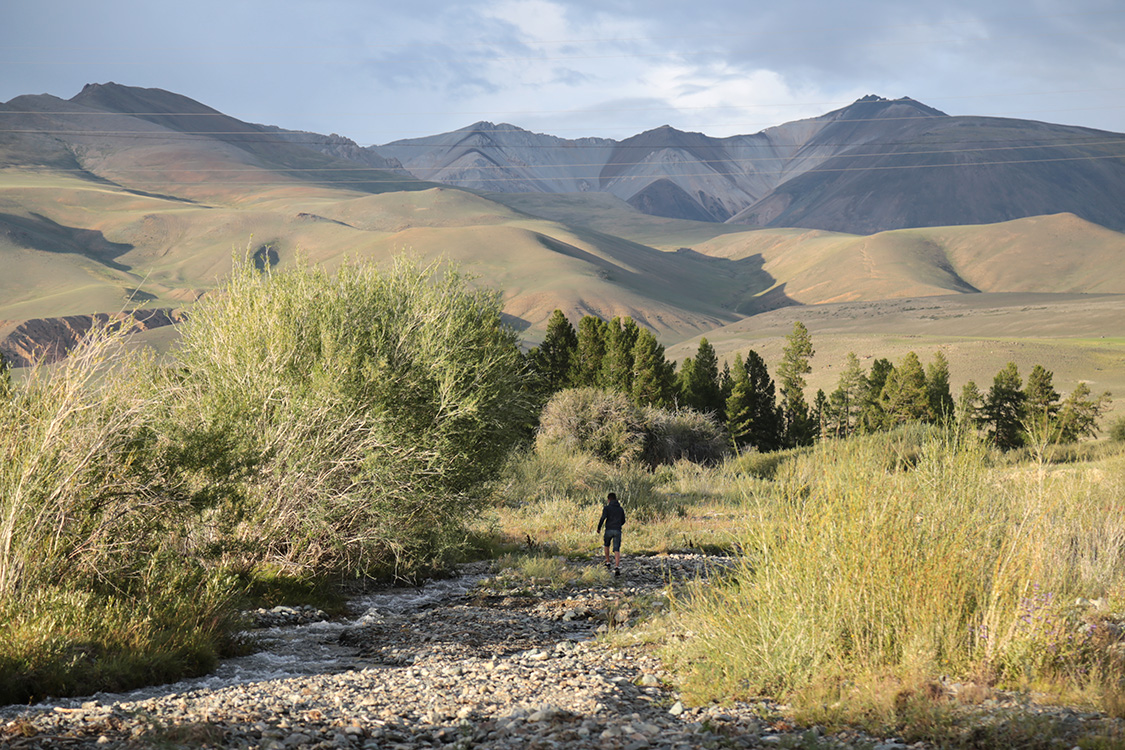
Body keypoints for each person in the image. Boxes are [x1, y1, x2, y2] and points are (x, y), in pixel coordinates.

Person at [596, 491, 626, 576]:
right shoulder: (620, 509)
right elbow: (623, 520)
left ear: (609, 500)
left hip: (608, 529)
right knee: (617, 548)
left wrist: (599, 528)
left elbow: (603, 518)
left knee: (607, 545)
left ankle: (608, 562)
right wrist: (618, 525)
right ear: (616, 499)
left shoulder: (607, 508)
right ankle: (617, 566)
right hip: (617, 530)